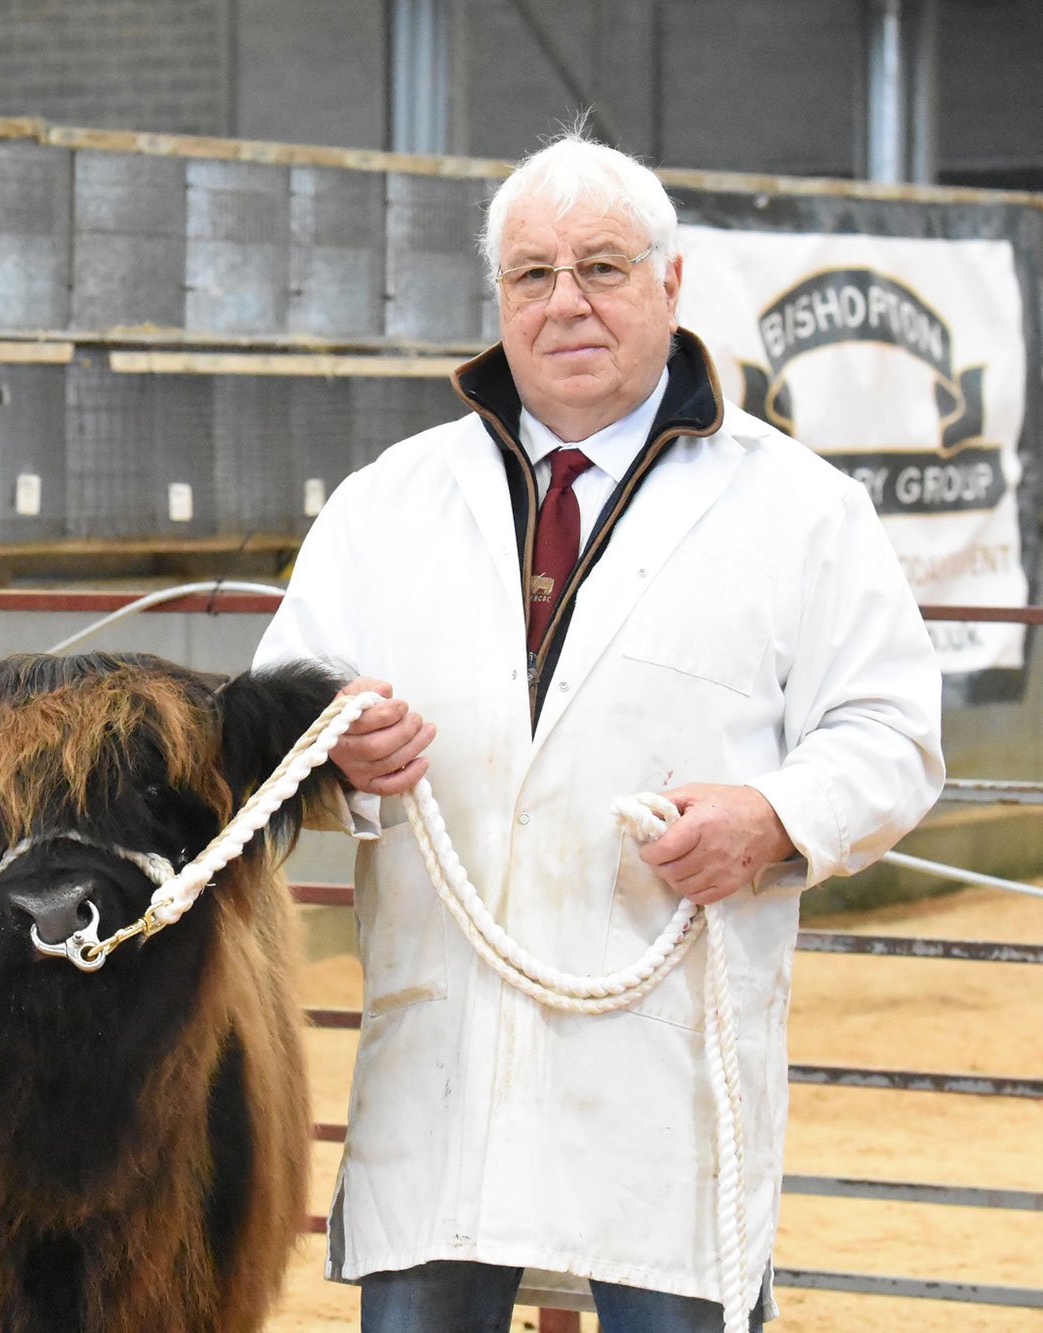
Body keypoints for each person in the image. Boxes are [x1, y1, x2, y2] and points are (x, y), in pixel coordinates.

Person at [255, 129, 943, 1331]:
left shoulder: (797, 511)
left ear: (670, 285)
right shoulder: (385, 505)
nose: (563, 303)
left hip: (659, 1078)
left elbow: (890, 730)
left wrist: (774, 815)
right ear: (497, 298)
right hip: (443, 1069)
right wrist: (335, 751)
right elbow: (271, 725)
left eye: (601, 268)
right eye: (531, 275)